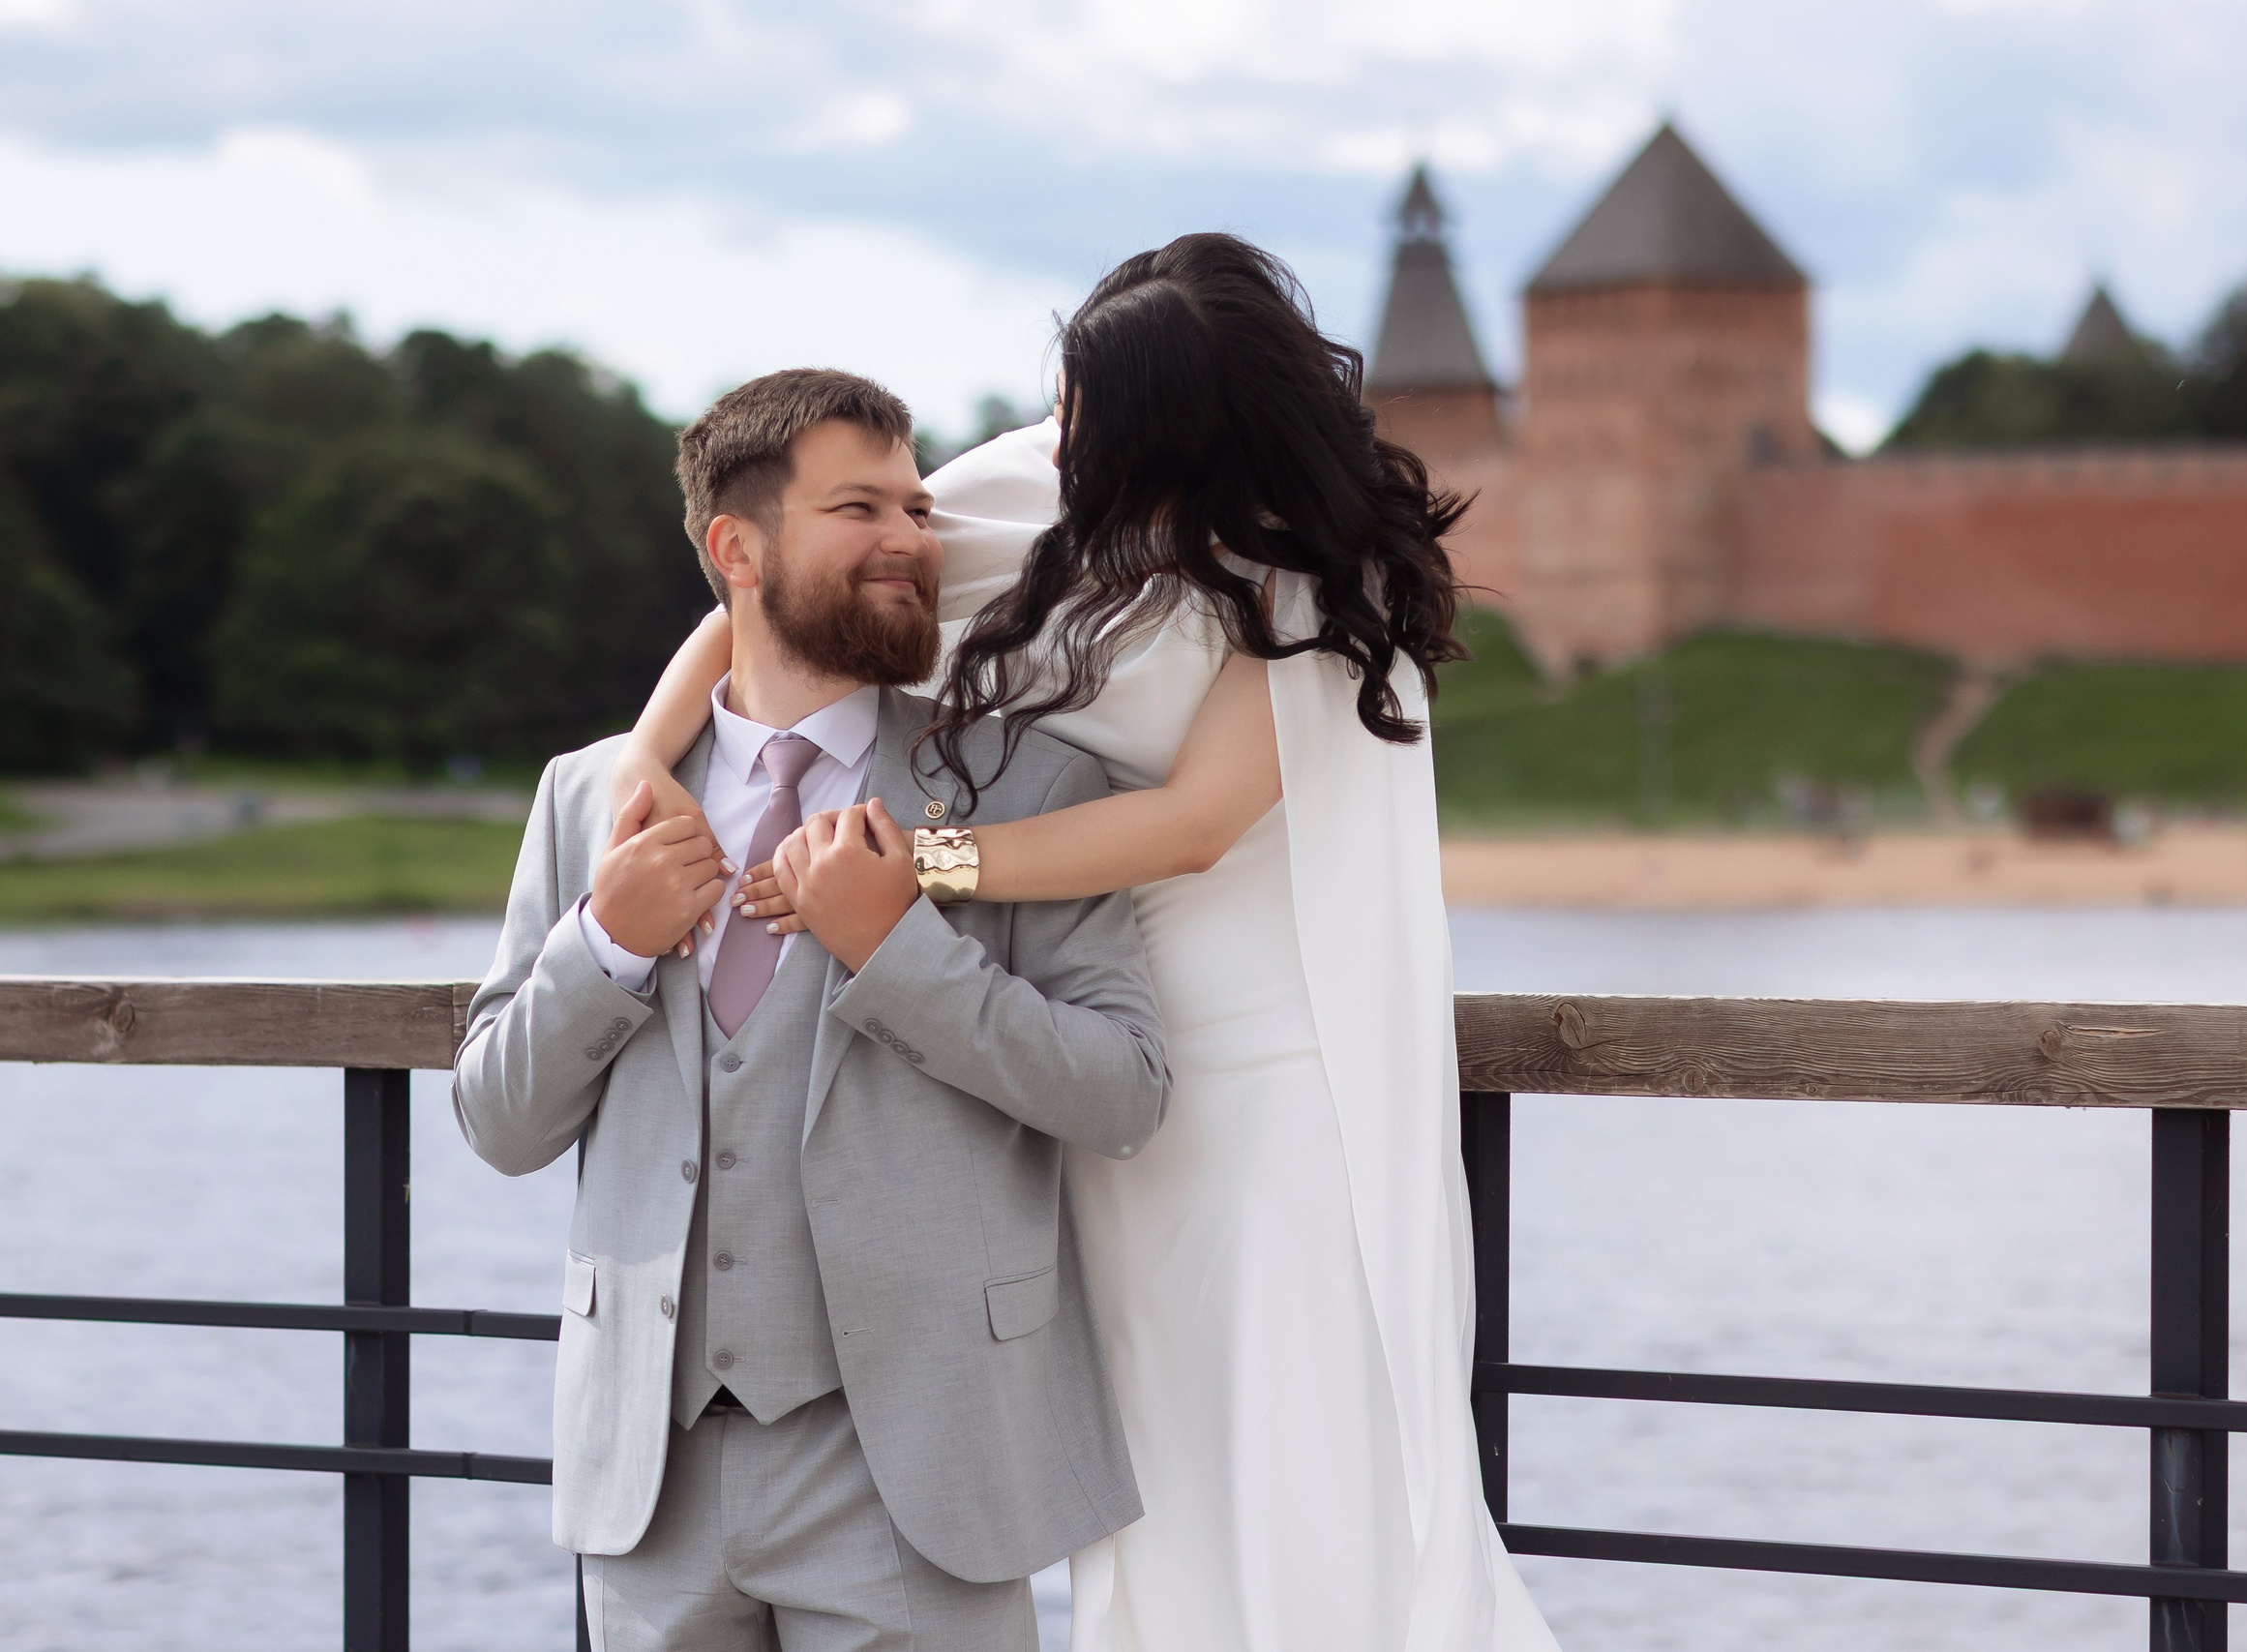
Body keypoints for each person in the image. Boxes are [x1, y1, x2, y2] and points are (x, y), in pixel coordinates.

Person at [614, 235, 1562, 1650]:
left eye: (1084, 408)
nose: (1056, 429)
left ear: (1172, 428)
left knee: (1282, 1440)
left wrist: (919, 872)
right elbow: (741, 603)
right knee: (1136, 1467)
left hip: (1265, 1075)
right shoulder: (1041, 484)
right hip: (1081, 1028)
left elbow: (1191, 824)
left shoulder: (1317, 579)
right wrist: (648, 762)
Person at [456, 368, 1172, 1651]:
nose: (912, 539)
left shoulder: (1031, 785)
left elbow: (1123, 1091)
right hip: (650, 1485)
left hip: (919, 1473)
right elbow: (500, 1121)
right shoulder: (588, 801)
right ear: (739, 547)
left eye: (916, 506)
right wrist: (604, 946)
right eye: (862, 509)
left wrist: (900, 951)